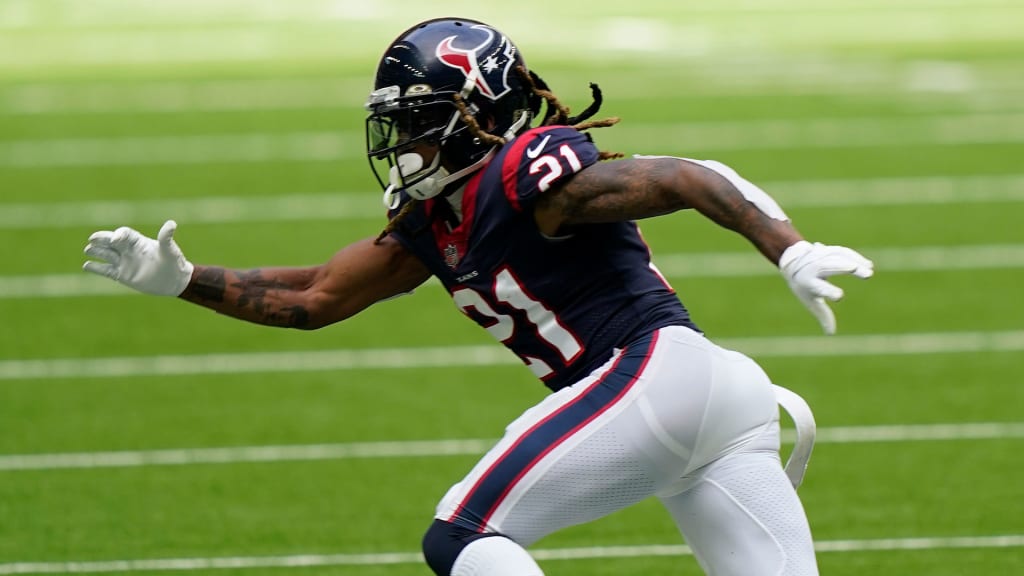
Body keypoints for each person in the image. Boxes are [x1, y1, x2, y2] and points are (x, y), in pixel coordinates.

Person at [82, 17, 873, 576]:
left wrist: (790, 247)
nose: (406, 145)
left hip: (649, 374)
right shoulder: (438, 219)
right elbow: (319, 296)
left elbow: (684, 177)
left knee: (461, 534)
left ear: (475, 113)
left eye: (421, 123)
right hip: (711, 399)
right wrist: (181, 281)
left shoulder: (529, 174)